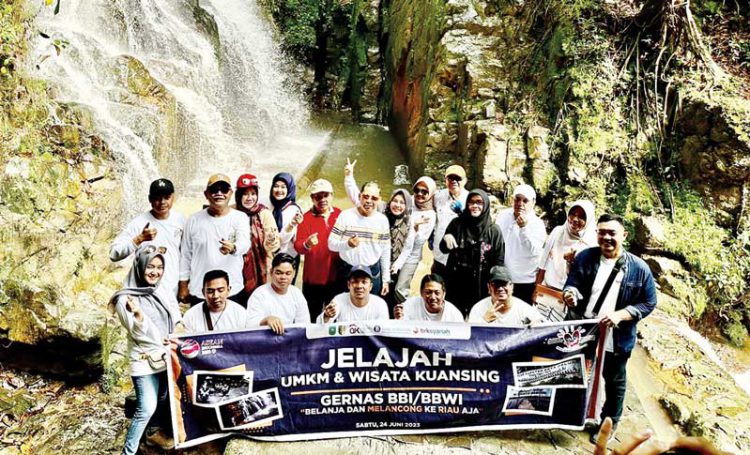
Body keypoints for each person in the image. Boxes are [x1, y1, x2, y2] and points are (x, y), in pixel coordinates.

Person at [562, 213, 657, 442]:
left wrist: (622, 315)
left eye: (612, 233)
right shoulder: (586, 257)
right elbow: (573, 283)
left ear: (623, 235)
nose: (606, 237)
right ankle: (572, 413)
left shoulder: (639, 269)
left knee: (614, 380)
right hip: (585, 329)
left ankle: (609, 422)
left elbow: (649, 302)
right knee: (575, 370)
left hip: (617, 335)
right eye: (601, 232)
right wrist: (570, 294)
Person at [109, 246, 185, 455]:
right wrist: (140, 316)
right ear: (140, 266)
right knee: (146, 407)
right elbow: (140, 334)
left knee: (164, 396)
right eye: (150, 266)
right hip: (144, 359)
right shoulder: (124, 299)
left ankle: (153, 433)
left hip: (166, 354)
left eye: (159, 267)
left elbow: (175, 314)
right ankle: (128, 452)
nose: (155, 272)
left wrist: (177, 328)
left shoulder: (160, 289)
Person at [178, 174, 251, 305]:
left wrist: (234, 248)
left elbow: (245, 243)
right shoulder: (193, 220)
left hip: (232, 290)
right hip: (200, 290)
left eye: (223, 190)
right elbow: (185, 255)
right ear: (206, 194)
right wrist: (183, 285)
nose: (219, 193)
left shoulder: (240, 217)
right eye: (214, 190)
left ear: (230, 193)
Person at [110, 178, 185, 299]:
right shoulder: (138, 223)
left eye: (166, 197)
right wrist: (139, 239)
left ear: (173, 197)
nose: (162, 202)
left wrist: (183, 285)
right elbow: (114, 254)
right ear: (150, 199)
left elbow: (186, 256)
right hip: (143, 291)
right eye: (157, 198)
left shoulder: (180, 220)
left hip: (171, 290)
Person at [440, 189, 505, 316]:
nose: (475, 206)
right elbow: (443, 248)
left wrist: (495, 286)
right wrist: (446, 237)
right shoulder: (457, 224)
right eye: (471, 202)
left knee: (478, 317)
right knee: (455, 317)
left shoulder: (494, 231)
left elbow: (499, 261)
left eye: (479, 202)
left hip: (481, 283)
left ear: (485, 205)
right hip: (456, 282)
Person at [535, 200, 597, 321]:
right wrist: (536, 288)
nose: (575, 219)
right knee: (536, 326)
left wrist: (571, 262)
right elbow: (544, 261)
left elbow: (584, 280)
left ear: (588, 220)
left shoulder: (590, 244)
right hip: (546, 290)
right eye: (572, 214)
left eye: (581, 217)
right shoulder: (558, 231)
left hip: (566, 299)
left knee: (552, 333)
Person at [328, 181, 391, 296]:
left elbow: (385, 251)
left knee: (370, 310)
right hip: (347, 271)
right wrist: (347, 245)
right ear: (359, 196)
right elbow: (331, 244)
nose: (369, 201)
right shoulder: (346, 216)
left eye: (374, 198)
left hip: (372, 272)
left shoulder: (382, 220)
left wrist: (386, 279)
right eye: (365, 196)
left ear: (380, 200)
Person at [293, 179, 342, 318]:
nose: (322, 200)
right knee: (312, 316)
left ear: (332, 195)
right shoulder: (305, 218)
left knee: (334, 316)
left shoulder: (340, 214)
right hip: (313, 278)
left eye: (325, 195)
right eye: (318, 196)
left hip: (335, 276)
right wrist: (307, 244)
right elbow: (298, 247)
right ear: (312, 198)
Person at [496, 184, 547, 304]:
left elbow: (534, 250)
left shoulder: (537, 224)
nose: (520, 203)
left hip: (525, 281)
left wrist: (523, 229)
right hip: (503, 277)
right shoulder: (503, 215)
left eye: (525, 200)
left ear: (533, 202)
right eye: (517, 199)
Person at [233, 173, 280, 304]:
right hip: (235, 267)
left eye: (253, 194)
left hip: (261, 270)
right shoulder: (231, 212)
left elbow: (274, 246)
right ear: (238, 195)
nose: (250, 198)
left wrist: (270, 240)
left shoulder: (264, 214)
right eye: (245, 194)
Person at [391, 176, 437, 303]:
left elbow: (419, 241)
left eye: (424, 191)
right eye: (417, 190)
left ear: (431, 193)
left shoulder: (430, 215)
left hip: (412, 254)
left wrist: (414, 227)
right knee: (389, 283)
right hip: (396, 248)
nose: (419, 194)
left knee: (400, 289)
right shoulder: (407, 202)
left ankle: (404, 313)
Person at [247, 253, 310, 334]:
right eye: (279, 273)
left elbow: (304, 325)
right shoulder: (259, 294)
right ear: (271, 272)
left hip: (289, 340)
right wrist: (266, 320)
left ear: (294, 274)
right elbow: (250, 325)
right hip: (265, 340)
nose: (283, 277)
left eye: (288, 273)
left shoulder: (296, 294)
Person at [468, 266, 544, 325]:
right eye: (496, 284)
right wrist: (484, 321)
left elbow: (543, 327)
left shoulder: (524, 309)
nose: (500, 288)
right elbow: (469, 336)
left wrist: (535, 326)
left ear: (511, 286)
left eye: (504, 284)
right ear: (489, 287)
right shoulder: (478, 309)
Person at [432, 165, 469, 278]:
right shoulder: (438, 196)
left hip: (458, 255)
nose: (454, 181)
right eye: (450, 178)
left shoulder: (470, 199)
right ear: (445, 180)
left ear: (465, 181)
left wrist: (462, 213)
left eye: (458, 178)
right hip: (438, 253)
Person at [317, 265, 390, 323]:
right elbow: (320, 327)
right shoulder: (339, 300)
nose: (359, 286)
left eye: (364, 282)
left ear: (370, 286)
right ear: (348, 285)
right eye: (355, 281)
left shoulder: (380, 304)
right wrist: (326, 316)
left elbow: (384, 334)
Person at [182, 270, 248, 332]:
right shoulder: (190, 316)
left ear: (228, 290)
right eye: (210, 291)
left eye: (220, 290)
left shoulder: (240, 313)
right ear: (203, 292)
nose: (215, 296)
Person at [268, 172, 303, 282]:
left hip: (288, 257)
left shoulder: (293, 210)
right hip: (270, 255)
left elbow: (283, 240)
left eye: (283, 187)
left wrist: (291, 224)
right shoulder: (268, 204)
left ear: (290, 189)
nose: (279, 190)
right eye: (276, 186)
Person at [382, 189, 413, 309]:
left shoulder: (409, 222)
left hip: (395, 266)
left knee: (392, 297)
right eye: (395, 201)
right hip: (379, 264)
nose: (398, 205)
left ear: (407, 205)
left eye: (402, 202)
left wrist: (397, 265)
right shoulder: (381, 216)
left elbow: (407, 248)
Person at [394, 274, 464, 322]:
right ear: (421, 292)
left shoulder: (454, 314)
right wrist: (399, 319)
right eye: (428, 292)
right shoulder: (410, 305)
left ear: (444, 294)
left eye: (437, 293)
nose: (433, 297)